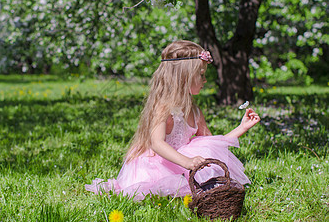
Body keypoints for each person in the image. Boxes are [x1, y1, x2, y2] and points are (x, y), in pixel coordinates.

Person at [85, 40, 261, 201]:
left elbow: (212, 142)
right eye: (201, 75)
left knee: (204, 148)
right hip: (156, 164)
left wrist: (241, 128)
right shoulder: (163, 106)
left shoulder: (194, 110)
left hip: (182, 163)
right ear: (184, 76)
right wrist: (187, 162)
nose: (205, 80)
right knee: (161, 188)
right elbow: (156, 143)